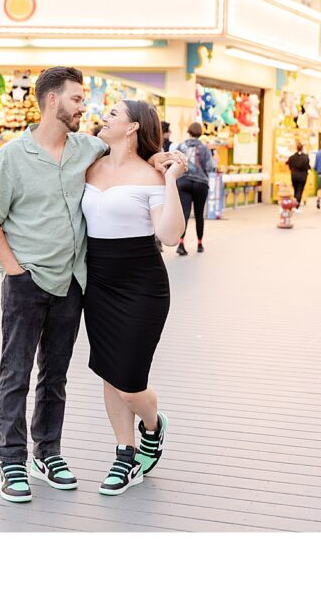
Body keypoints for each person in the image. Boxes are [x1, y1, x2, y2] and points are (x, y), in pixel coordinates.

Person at [0, 66, 178, 503]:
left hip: (74, 282)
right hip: (27, 280)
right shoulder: (12, 156)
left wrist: (162, 165)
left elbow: (134, 164)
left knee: (56, 375)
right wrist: (15, 271)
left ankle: (47, 453)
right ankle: (12, 461)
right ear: (53, 101)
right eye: (76, 99)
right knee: (16, 373)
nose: (84, 108)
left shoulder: (87, 149)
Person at [83, 100, 186, 495]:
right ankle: (124, 456)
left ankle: (153, 425)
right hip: (99, 283)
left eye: (113, 114)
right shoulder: (89, 163)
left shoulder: (152, 176)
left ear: (131, 128)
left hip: (142, 285)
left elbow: (170, 235)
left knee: (129, 382)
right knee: (109, 371)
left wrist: (172, 178)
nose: (103, 117)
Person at [171, 121, 216, 256]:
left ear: (189, 131)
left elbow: (175, 163)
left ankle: (181, 243)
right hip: (200, 183)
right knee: (199, 214)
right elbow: (209, 167)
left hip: (183, 182)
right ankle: (200, 243)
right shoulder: (204, 148)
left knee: (184, 213)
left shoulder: (181, 146)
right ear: (200, 133)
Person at [286, 142, 311, 212]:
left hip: (294, 174)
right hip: (302, 175)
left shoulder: (292, 157)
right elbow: (308, 166)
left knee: (295, 190)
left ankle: (294, 204)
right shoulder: (306, 157)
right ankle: (296, 205)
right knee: (300, 190)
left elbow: (289, 165)